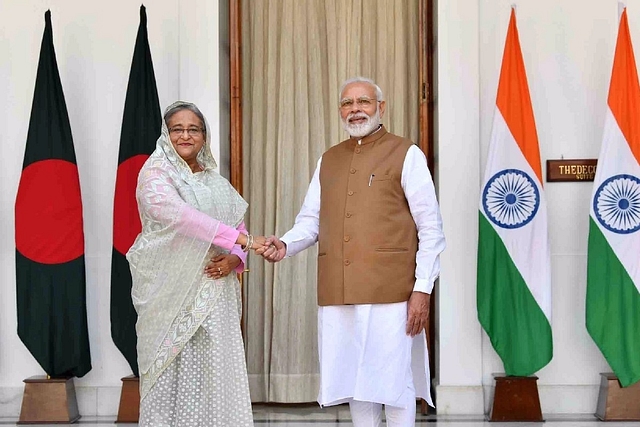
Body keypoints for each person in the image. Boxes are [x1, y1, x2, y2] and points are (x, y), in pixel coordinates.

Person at [259, 77, 446, 427]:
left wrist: (422, 289)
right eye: (347, 103)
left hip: (391, 290)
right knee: (354, 379)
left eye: (364, 102)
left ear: (381, 107)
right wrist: (285, 244)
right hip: (339, 289)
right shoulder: (328, 159)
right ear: (340, 110)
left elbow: (431, 228)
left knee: (393, 379)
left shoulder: (406, 153)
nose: (355, 109)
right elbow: (310, 221)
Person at [126, 101, 266, 426]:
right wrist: (244, 241)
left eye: (194, 129)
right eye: (178, 128)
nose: (186, 135)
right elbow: (183, 218)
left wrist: (235, 257)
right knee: (172, 370)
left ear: (204, 136)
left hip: (216, 293)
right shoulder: (155, 175)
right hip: (170, 293)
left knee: (217, 368)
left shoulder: (215, 181)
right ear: (166, 133)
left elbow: (238, 225)